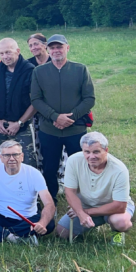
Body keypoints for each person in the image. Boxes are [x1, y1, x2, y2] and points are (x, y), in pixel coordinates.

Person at [30, 34, 95, 199]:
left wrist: (70, 118)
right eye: (52, 47)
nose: (56, 50)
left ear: (67, 48)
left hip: (76, 129)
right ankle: (50, 202)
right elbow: (36, 99)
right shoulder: (39, 71)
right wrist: (55, 117)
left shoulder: (80, 69)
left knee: (81, 166)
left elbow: (89, 99)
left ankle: (84, 199)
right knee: (49, 167)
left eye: (59, 47)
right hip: (49, 129)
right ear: (48, 49)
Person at [56, 132, 133, 245]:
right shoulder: (73, 161)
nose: (91, 156)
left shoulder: (119, 170)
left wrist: (84, 212)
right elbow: (70, 192)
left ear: (106, 150)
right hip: (86, 203)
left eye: (96, 152)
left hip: (112, 206)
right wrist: (81, 213)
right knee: (62, 233)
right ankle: (91, 224)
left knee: (120, 222)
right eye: (87, 152)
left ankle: (117, 232)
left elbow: (120, 206)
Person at [0, 38, 37, 167]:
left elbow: (35, 101)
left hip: (23, 124)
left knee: (27, 162)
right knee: (6, 162)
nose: (5, 57)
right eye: (2, 53)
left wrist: (19, 123)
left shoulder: (30, 71)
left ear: (18, 51)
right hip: (2, 125)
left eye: (8, 52)